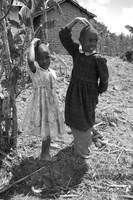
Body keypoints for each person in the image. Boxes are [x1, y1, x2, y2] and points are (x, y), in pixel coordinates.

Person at [59, 17, 109, 158]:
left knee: (86, 118)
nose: (92, 43)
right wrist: (74, 21)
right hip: (74, 92)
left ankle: (83, 146)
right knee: (74, 116)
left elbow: (104, 77)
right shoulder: (76, 51)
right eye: (89, 40)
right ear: (81, 40)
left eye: (95, 40)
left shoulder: (97, 59)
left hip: (89, 95)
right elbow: (63, 36)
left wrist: (100, 90)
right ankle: (81, 140)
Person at [23, 38, 64, 161]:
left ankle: (47, 147)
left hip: (51, 105)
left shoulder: (50, 71)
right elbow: (30, 60)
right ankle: (44, 154)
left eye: (47, 57)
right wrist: (31, 44)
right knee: (47, 128)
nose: (45, 61)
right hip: (42, 106)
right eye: (40, 58)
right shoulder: (36, 71)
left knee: (50, 128)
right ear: (36, 60)